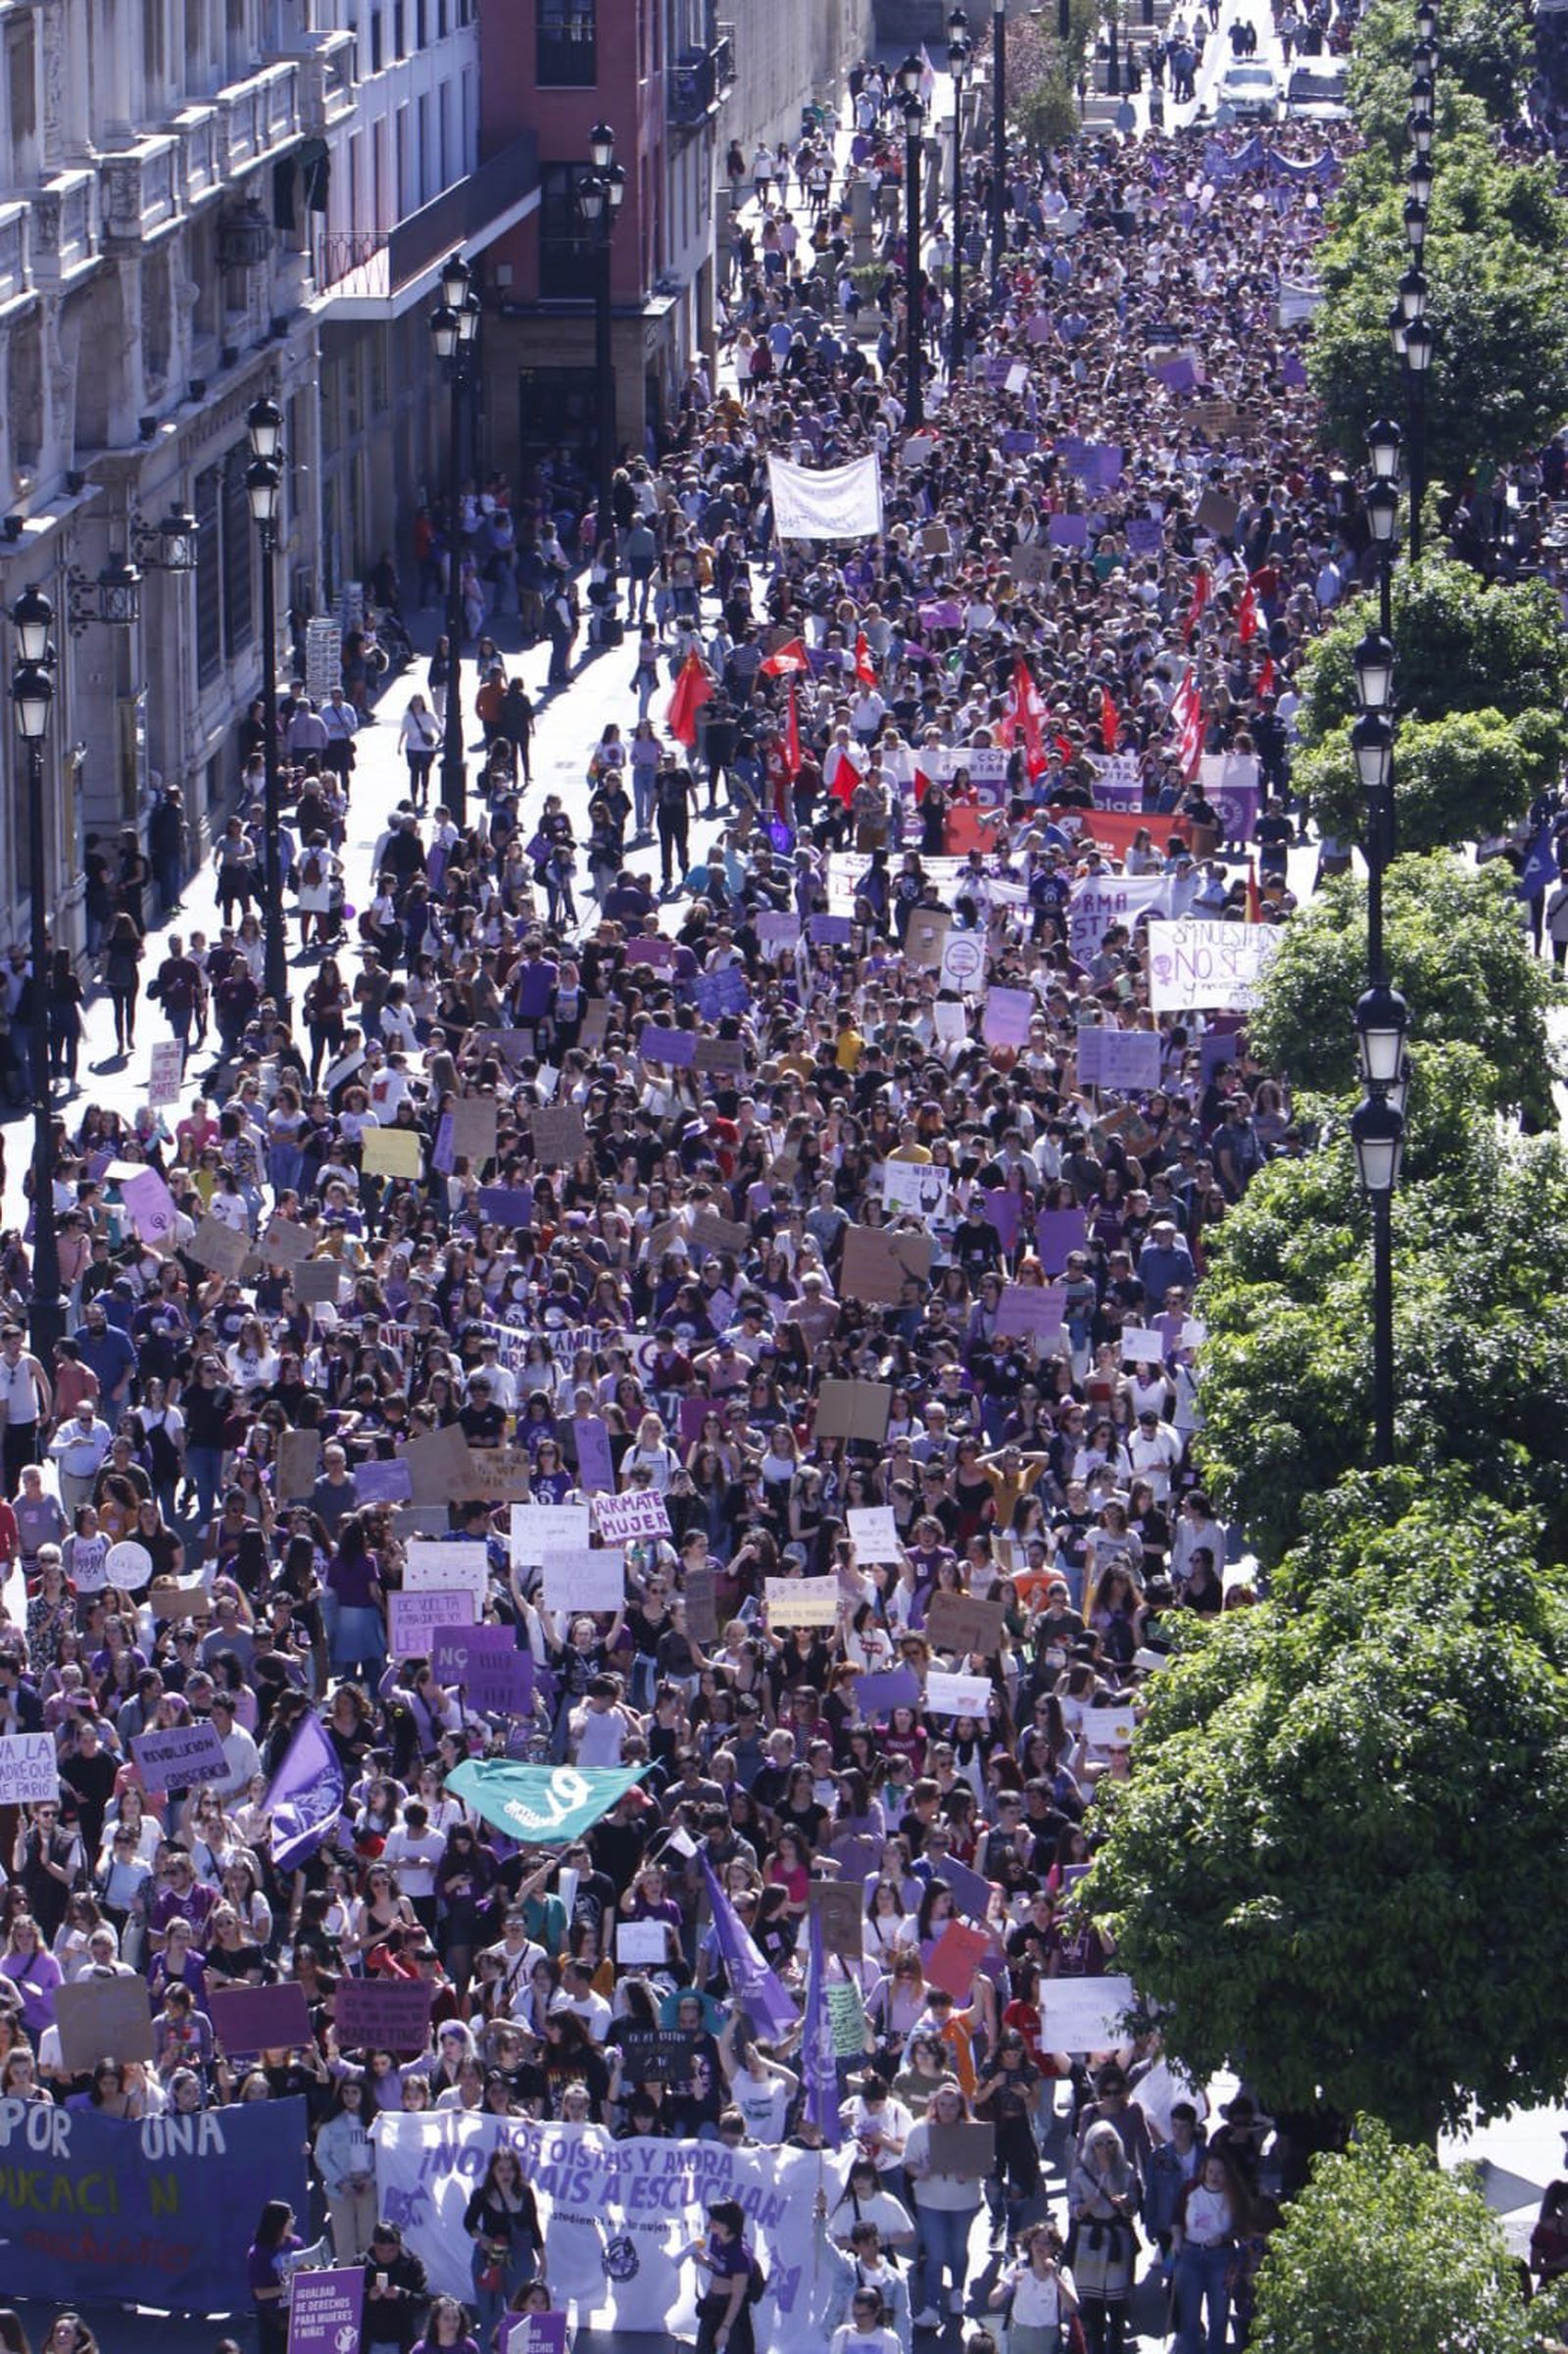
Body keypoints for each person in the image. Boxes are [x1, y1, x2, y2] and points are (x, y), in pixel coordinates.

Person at [687, 2197, 759, 2354]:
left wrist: (725, 2327)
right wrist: (703, 2261)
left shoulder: (740, 2255)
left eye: (716, 2220)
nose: (711, 2222)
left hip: (732, 2307)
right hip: (712, 2302)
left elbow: (738, 2295)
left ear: (728, 2224)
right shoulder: (716, 2239)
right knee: (704, 2349)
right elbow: (719, 2267)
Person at [248, 2198, 305, 2354]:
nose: (293, 2222)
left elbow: (303, 2269)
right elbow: (260, 2293)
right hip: (271, 2317)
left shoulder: (296, 2244)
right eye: (290, 2219)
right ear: (278, 2223)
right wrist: (287, 2288)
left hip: (296, 2313)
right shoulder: (258, 2254)